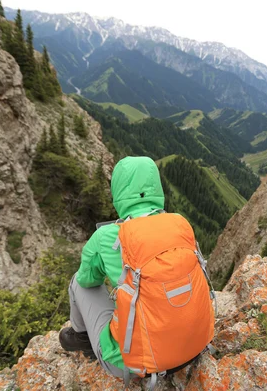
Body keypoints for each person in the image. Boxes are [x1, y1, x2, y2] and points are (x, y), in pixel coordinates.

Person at [59, 156, 167, 378]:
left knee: (78, 284)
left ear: (118, 191)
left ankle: (84, 339)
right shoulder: (178, 225)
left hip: (135, 364)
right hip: (188, 344)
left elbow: (87, 280)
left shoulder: (107, 235)